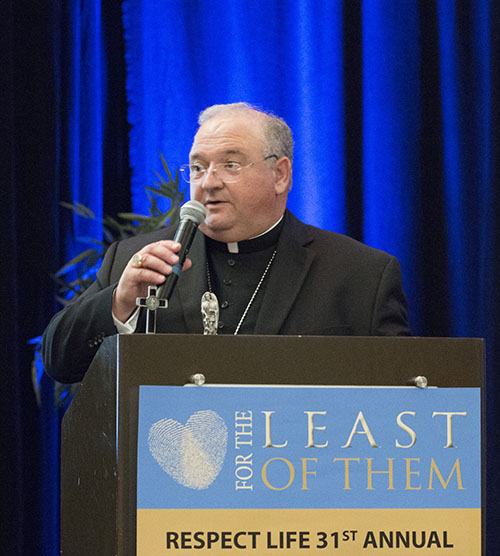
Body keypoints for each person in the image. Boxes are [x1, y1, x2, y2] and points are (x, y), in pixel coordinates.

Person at [42, 102, 410, 383]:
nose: (209, 182)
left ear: (280, 175)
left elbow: (400, 394)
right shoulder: (136, 262)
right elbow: (59, 361)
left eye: (230, 165)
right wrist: (120, 302)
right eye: (198, 168)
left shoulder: (360, 274)